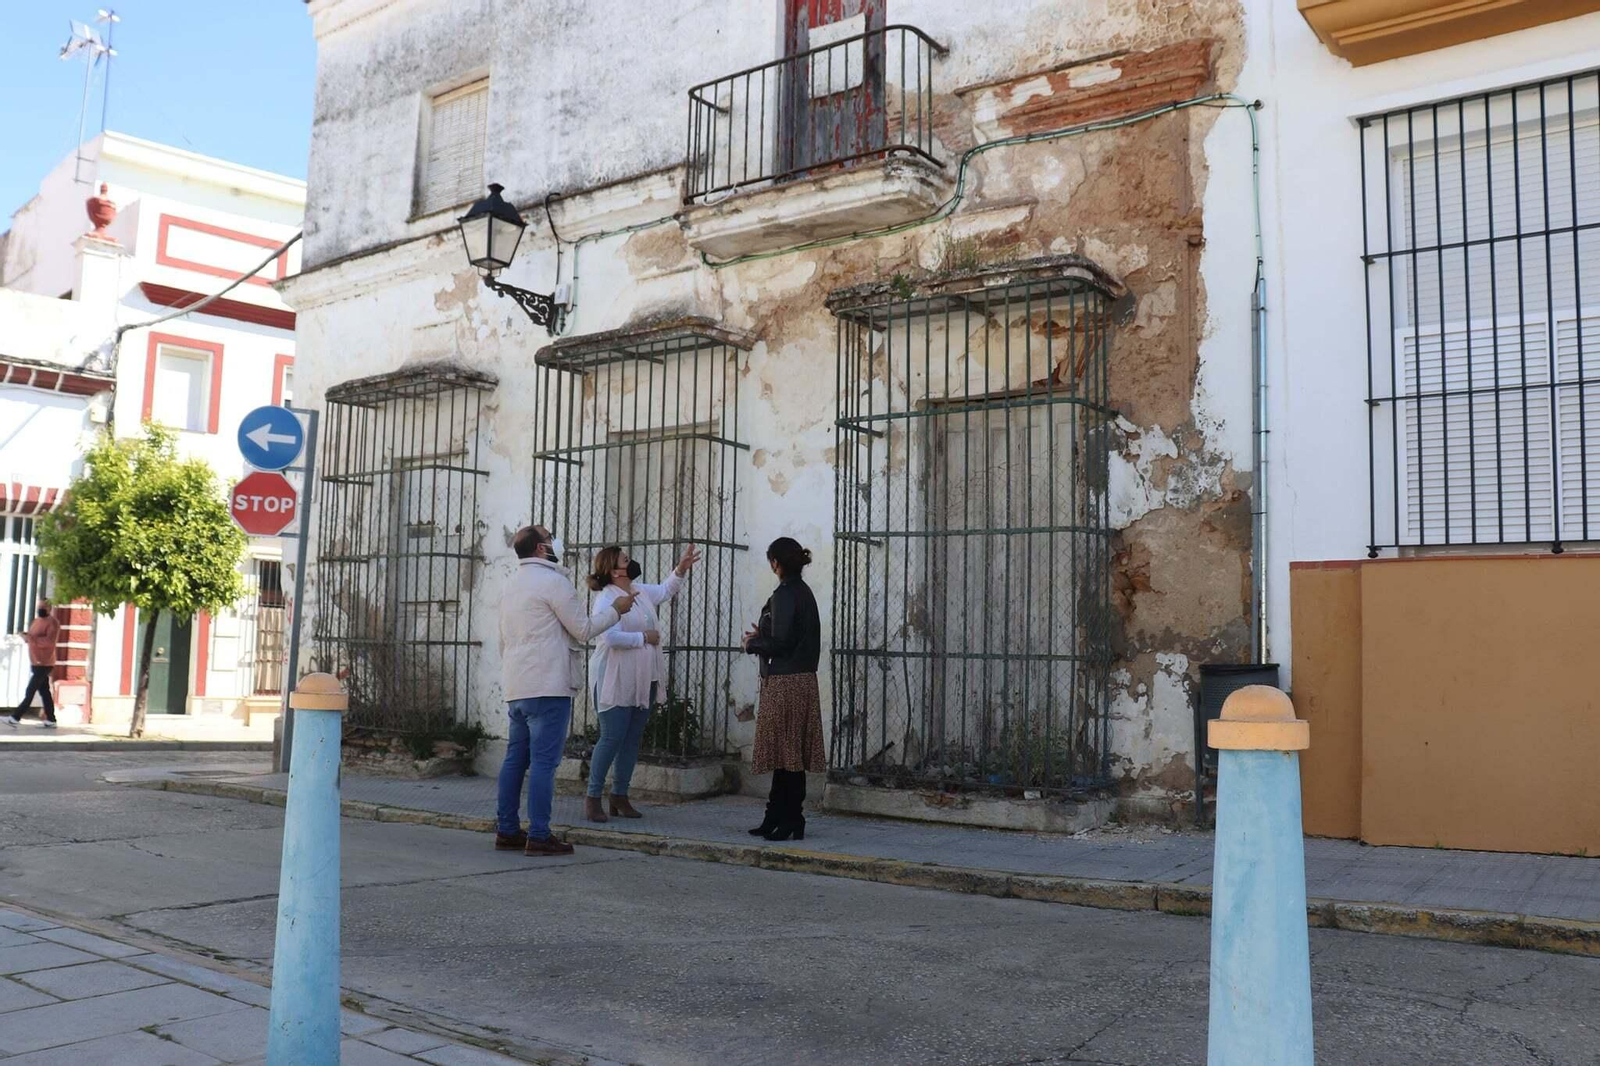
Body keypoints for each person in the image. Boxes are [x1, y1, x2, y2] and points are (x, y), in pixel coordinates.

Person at [496, 525, 634, 857]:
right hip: (549, 684)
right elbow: (583, 629)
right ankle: (540, 835)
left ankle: (507, 829)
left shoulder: (508, 586)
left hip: (518, 685)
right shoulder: (555, 583)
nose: (556, 541)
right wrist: (617, 610)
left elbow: (503, 640)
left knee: (515, 759)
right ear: (542, 549)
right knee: (544, 763)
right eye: (550, 537)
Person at [584, 543, 702, 823]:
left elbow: (665, 590)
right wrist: (643, 638)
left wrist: (680, 569)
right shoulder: (606, 599)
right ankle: (592, 797)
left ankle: (620, 795)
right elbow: (609, 637)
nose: (632, 562)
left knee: (632, 739)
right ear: (614, 571)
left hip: (643, 677)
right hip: (615, 677)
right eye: (626, 559)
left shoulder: (638, 591)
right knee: (611, 737)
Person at [743, 537, 824, 841]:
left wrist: (752, 644)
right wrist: (763, 635)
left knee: (789, 756)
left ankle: (792, 818)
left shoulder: (786, 594)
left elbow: (783, 643)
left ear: (775, 563)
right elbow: (788, 634)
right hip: (798, 679)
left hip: (786, 682)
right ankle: (775, 816)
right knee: (785, 754)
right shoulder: (802, 592)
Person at [8, 601, 60, 729]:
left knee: (30, 690)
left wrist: (30, 639)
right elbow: (32, 638)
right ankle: (51, 719)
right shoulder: (36, 621)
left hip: (45, 662)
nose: (40, 609)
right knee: (44, 692)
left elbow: (48, 642)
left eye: (43, 607)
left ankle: (16, 717)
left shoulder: (53, 623)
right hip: (35, 661)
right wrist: (26, 636)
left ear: (49, 608)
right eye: (39, 607)